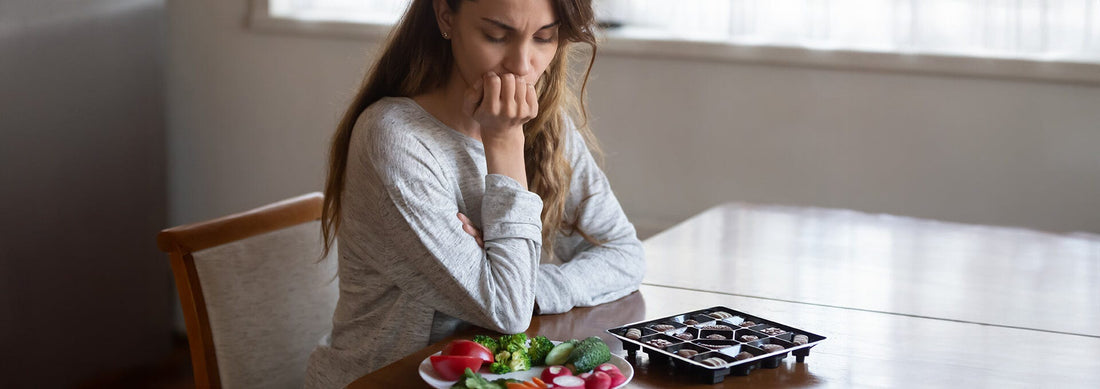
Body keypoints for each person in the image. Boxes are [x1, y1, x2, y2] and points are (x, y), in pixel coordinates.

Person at [305, 0, 644, 386]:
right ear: (446, 15)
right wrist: (503, 142)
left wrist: (525, 285)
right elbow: (507, 311)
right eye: (496, 35)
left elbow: (624, 254)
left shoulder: (550, 126)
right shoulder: (395, 138)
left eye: (544, 38)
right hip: (383, 380)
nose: (521, 65)